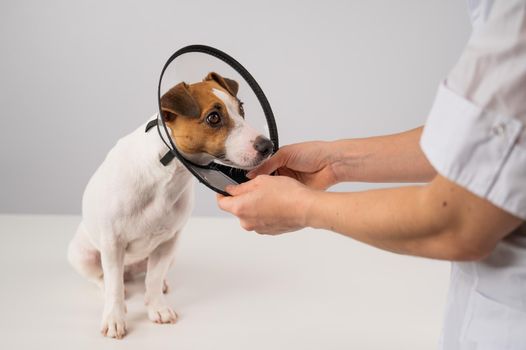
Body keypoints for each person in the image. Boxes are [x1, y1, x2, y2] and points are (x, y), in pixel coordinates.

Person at [217, 0, 526, 348]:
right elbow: (478, 144)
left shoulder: (516, 27)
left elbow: (457, 224)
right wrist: (334, 162)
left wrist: (302, 207)